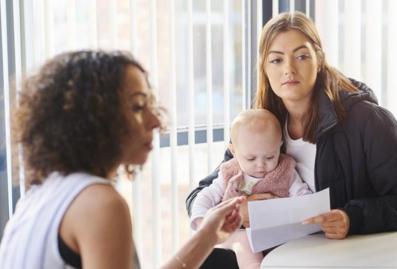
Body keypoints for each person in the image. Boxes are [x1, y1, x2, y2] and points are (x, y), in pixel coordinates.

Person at [186, 11, 397, 267]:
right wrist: (238, 208)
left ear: (319, 59)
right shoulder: (259, 124)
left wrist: (351, 218)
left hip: (338, 255)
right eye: (276, 60)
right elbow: (204, 192)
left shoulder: (367, 121)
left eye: (301, 56)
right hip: (276, 254)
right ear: (264, 68)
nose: (289, 70)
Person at [0, 50, 245, 269]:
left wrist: (208, 236)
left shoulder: (40, 196)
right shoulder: (100, 203)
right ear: (94, 118)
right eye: (138, 107)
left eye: (150, 105)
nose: (156, 121)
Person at [190, 109, 311, 269]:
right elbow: (206, 195)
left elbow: (303, 196)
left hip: (275, 234)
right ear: (233, 151)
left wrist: (306, 211)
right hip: (237, 234)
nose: (260, 165)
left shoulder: (285, 170)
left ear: (279, 146)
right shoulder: (229, 172)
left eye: (270, 157)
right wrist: (201, 221)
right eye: (251, 158)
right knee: (243, 240)